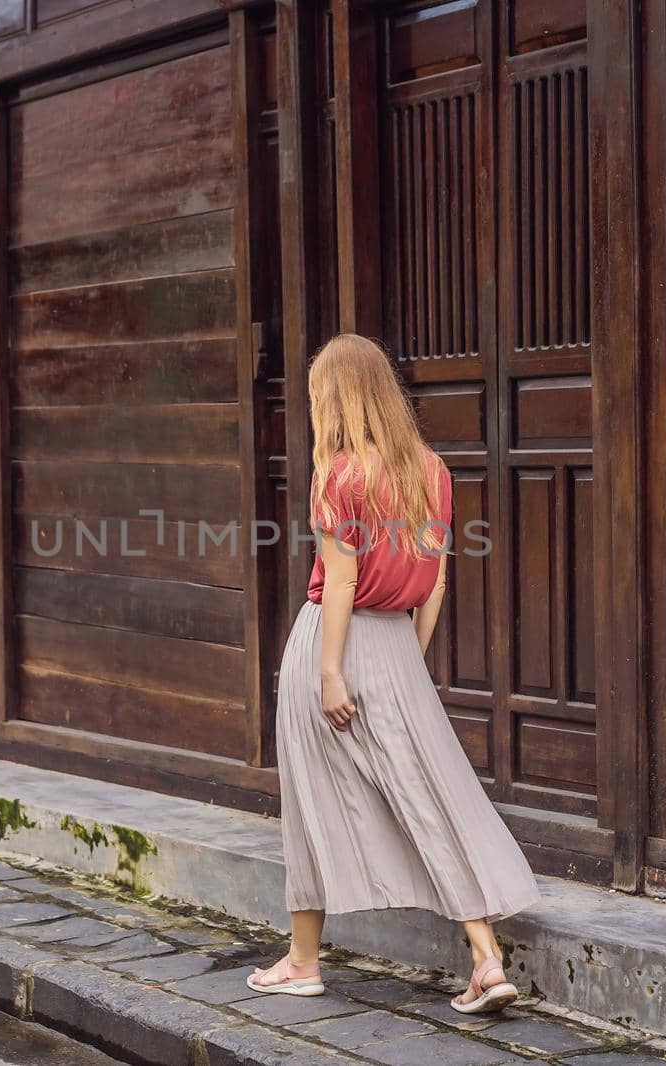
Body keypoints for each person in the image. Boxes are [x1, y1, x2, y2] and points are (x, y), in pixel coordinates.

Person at [247, 333, 540, 1015]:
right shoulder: (432, 471)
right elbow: (435, 578)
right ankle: (487, 958)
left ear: (337, 398)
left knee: (312, 799)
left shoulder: (339, 474)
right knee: (428, 797)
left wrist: (330, 672)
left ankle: (303, 962)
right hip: (397, 645)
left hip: (332, 645)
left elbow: (341, 580)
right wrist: (408, 654)